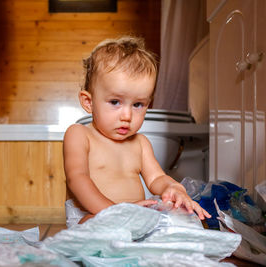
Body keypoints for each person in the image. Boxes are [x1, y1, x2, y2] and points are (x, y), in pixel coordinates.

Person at [63, 36, 211, 227]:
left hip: (135, 216)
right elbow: (77, 179)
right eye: (115, 102)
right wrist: (114, 213)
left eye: (138, 104)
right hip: (91, 214)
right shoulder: (79, 134)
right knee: (94, 225)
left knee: (178, 220)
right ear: (89, 102)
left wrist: (173, 187)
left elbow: (156, 178)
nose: (127, 115)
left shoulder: (140, 142)